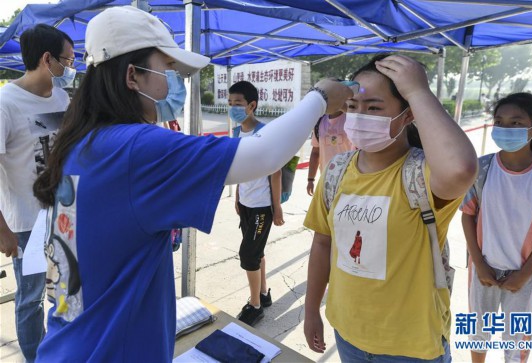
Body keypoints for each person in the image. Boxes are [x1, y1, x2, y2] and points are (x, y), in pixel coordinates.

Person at [30, 6, 351, 362]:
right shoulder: (136, 148)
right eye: (166, 69)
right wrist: (320, 96)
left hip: (68, 344)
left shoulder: (81, 142)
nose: (171, 82)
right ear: (132, 75)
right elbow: (262, 155)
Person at [303, 54, 478, 362]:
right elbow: (322, 242)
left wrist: (418, 92)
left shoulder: (422, 176)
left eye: (374, 108)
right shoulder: (337, 170)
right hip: (347, 332)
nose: (358, 117)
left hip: (410, 346)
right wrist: (311, 311)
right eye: (353, 107)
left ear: (407, 116)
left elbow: (461, 169)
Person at [0, 24, 75, 362]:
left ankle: (58, 352)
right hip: (26, 224)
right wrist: (2, 229)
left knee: (63, 291)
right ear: (48, 59)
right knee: (30, 299)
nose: (71, 69)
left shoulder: (61, 97)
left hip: (63, 217)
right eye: (68, 61)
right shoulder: (6, 104)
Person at [461, 93, 532, 363]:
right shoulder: (482, 167)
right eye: (499, 121)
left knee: (516, 339)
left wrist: (523, 274)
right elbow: (467, 216)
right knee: (477, 331)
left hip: (527, 275)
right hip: (483, 269)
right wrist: (479, 264)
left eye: (515, 123)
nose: (505, 128)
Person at [228, 81, 284, 326]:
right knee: (257, 251)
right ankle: (263, 293)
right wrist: (239, 196)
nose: (232, 108)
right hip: (247, 204)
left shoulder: (265, 132)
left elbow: (276, 172)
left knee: (248, 255)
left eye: (237, 104)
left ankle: (255, 305)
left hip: (262, 207)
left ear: (252, 105)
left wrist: (277, 207)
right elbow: (241, 169)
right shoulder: (237, 132)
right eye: (229, 104)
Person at [307, 110, 353, 196]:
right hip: (327, 180)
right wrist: (311, 179)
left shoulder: (350, 120)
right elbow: (315, 152)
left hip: (348, 180)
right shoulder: (319, 122)